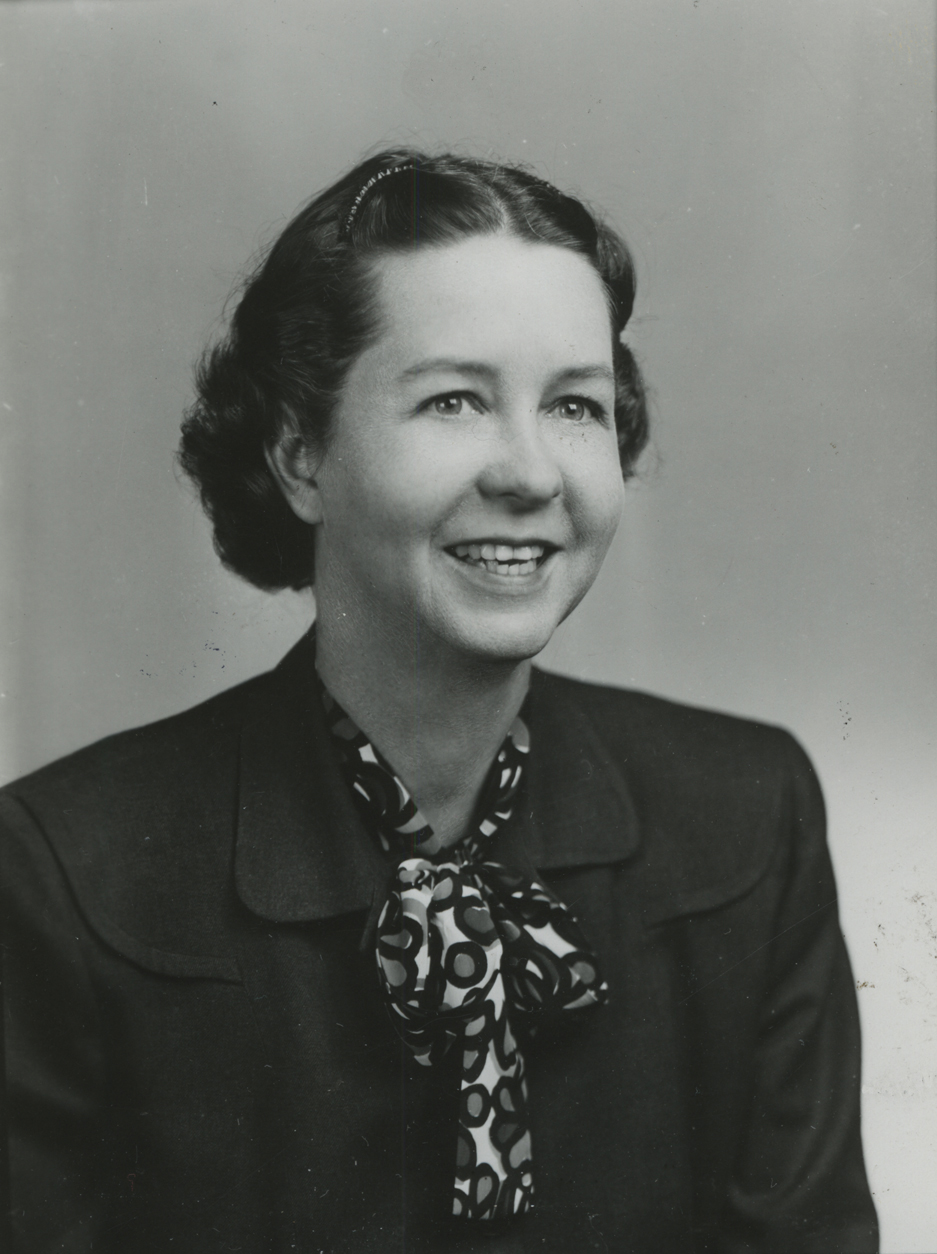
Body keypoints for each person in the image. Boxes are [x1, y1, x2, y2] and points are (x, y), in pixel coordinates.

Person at [0, 150, 878, 1253]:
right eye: (455, 399)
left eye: (574, 405)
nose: (531, 473)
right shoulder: (65, 872)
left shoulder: (748, 818)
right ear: (299, 453)